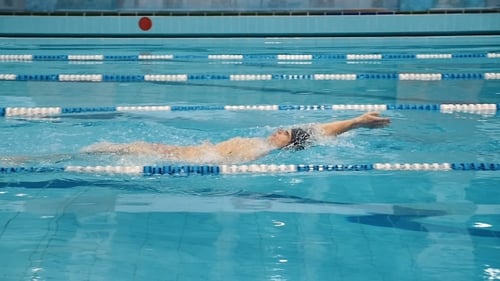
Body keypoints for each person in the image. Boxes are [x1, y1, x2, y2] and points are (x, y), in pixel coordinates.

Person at [81, 111, 390, 164]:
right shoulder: (262, 145)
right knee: (118, 149)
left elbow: (318, 133)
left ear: (291, 145)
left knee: (118, 150)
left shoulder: (262, 152)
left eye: (287, 134)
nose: (280, 130)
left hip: (188, 158)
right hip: (187, 151)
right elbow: (316, 130)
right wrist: (357, 121)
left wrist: (356, 123)